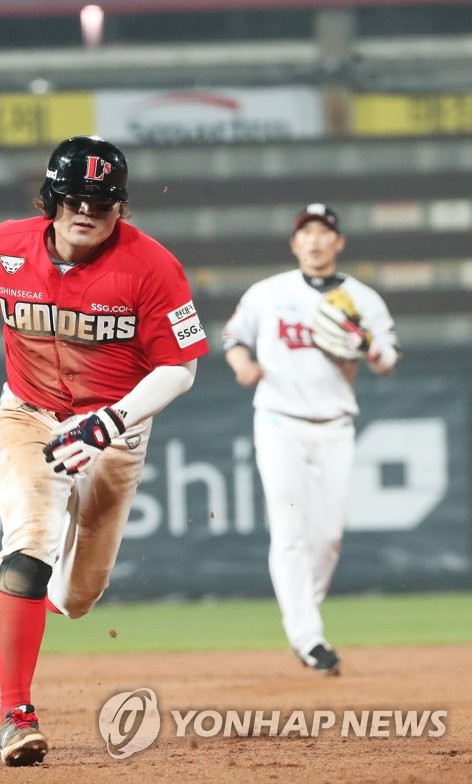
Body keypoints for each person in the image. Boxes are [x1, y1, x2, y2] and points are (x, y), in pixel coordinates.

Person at [0, 135, 209, 766]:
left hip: (115, 428)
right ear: (51, 199)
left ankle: (4, 597)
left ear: (120, 210)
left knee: (77, 596)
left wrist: (112, 420)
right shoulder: (3, 247)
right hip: (30, 413)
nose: (86, 213)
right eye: (74, 198)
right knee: (31, 547)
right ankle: (16, 714)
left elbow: (180, 368)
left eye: (102, 203)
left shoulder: (153, 266)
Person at [222, 203, 399, 677]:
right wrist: (244, 367)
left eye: (324, 232)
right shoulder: (268, 293)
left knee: (328, 537)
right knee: (290, 531)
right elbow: (233, 338)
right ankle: (309, 637)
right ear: (294, 242)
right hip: (279, 420)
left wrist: (365, 344)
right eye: (307, 232)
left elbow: (387, 360)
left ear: (339, 243)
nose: (315, 240)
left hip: (336, 424)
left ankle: (304, 616)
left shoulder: (362, 298)